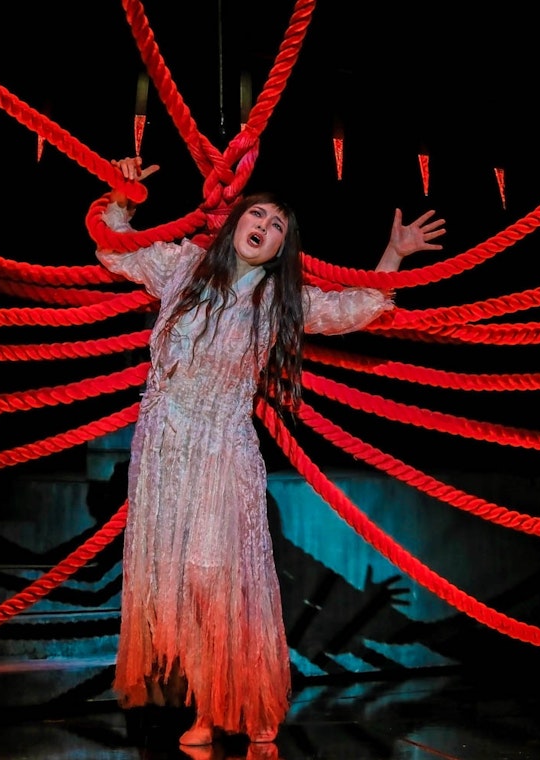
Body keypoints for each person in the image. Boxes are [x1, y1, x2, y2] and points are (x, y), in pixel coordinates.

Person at [96, 157, 445, 746]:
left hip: (222, 450)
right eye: (256, 213)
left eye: (278, 223)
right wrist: (124, 197)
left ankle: (251, 699)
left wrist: (394, 256)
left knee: (215, 579)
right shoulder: (181, 267)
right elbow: (116, 248)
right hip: (164, 451)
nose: (264, 224)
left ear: (283, 245)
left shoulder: (279, 303)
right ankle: (205, 710)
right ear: (236, 222)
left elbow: (353, 310)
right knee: (177, 583)